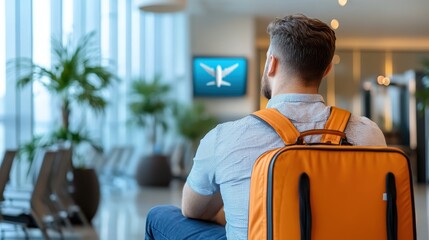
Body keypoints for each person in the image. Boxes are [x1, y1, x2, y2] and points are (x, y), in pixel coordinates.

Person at [145, 14, 386, 240]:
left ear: (271, 63)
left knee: (159, 215)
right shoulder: (368, 133)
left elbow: (194, 210)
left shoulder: (225, 137)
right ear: (327, 70)